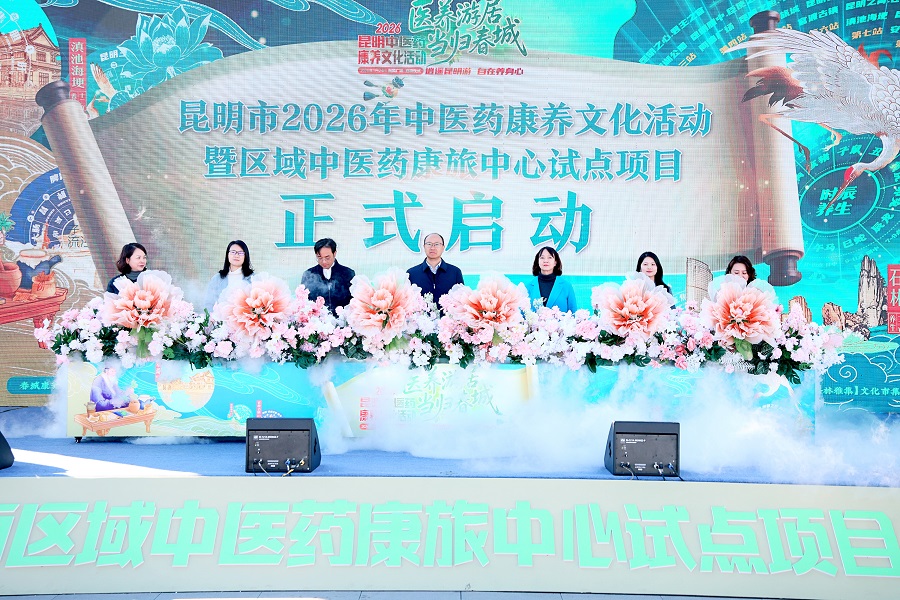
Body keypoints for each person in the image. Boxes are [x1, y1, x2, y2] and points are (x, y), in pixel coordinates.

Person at [406, 233, 464, 307]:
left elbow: (461, 300)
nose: (432, 248)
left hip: (448, 314)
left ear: (443, 247)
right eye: (429, 244)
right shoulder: (412, 273)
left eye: (437, 244)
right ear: (424, 247)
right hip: (420, 314)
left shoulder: (455, 272)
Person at [300, 238, 355, 314]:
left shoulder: (348, 273)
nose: (324, 261)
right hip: (317, 319)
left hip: (343, 319)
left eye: (327, 257)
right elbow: (304, 301)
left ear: (334, 253)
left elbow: (354, 301)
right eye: (319, 258)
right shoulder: (308, 274)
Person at [204, 240, 254, 311]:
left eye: (240, 253)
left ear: (245, 256)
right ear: (228, 254)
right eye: (233, 252)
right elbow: (208, 304)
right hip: (220, 317)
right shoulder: (217, 278)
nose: (236, 255)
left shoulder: (253, 278)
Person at [524, 246, 577, 312]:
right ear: (538, 261)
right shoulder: (528, 287)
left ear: (555, 262)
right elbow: (522, 314)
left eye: (550, 257)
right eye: (542, 258)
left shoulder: (566, 286)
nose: (545, 261)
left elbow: (573, 312)